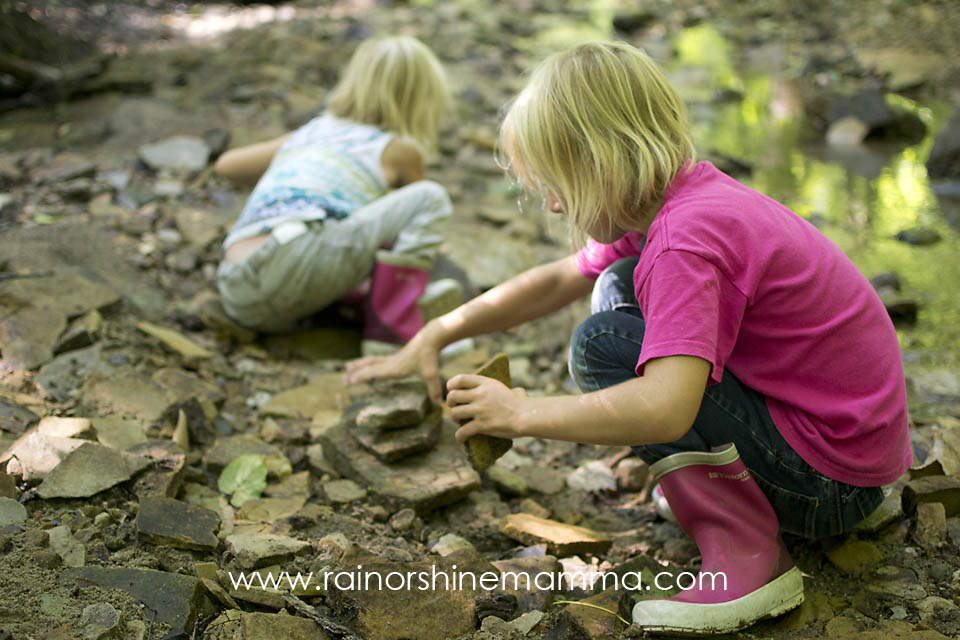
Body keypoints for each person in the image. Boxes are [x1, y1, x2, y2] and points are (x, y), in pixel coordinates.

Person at [347, 41, 913, 635]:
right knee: (616, 285)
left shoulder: (683, 242)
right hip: (847, 456)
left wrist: (522, 413)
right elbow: (556, 282)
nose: (550, 201)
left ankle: (748, 551)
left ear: (600, 164)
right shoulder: (678, 198)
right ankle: (727, 488)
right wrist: (436, 331)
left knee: (602, 344)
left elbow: (666, 410)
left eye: (553, 182)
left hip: (829, 482)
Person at [213, 35, 459, 349]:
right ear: (422, 99)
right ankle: (392, 331)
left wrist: (297, 170)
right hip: (293, 262)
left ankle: (362, 303)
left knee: (344, 232)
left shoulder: (312, 131)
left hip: (236, 287)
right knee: (430, 198)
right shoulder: (399, 150)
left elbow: (227, 166)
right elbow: (412, 228)